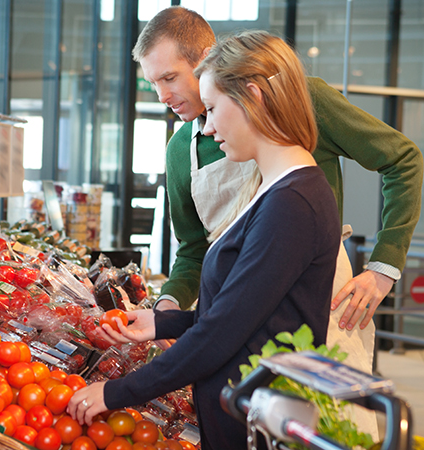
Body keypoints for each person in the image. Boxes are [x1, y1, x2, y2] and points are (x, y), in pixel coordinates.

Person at [67, 31, 341, 450]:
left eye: (212, 109)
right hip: (240, 410)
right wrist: (163, 322)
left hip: (253, 423)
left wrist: (116, 392)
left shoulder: (293, 204)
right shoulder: (274, 190)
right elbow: (248, 316)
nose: (208, 127)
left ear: (254, 97)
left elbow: (222, 334)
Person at [135, 6, 423, 377]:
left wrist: (384, 267)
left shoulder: (303, 101)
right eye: (153, 83)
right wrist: (169, 306)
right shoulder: (179, 151)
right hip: (232, 313)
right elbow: (193, 251)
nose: (162, 95)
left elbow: (403, 159)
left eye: (169, 78)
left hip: (319, 306)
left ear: (206, 59)